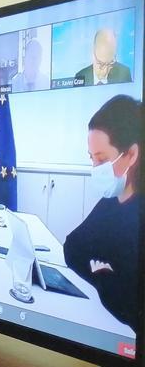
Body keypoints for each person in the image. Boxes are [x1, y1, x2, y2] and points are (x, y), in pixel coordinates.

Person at [64, 95, 141, 327]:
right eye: (92, 159)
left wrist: (103, 279)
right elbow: (73, 247)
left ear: (131, 155)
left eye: (102, 159)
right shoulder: (110, 201)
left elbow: (131, 308)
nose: (95, 169)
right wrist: (105, 276)